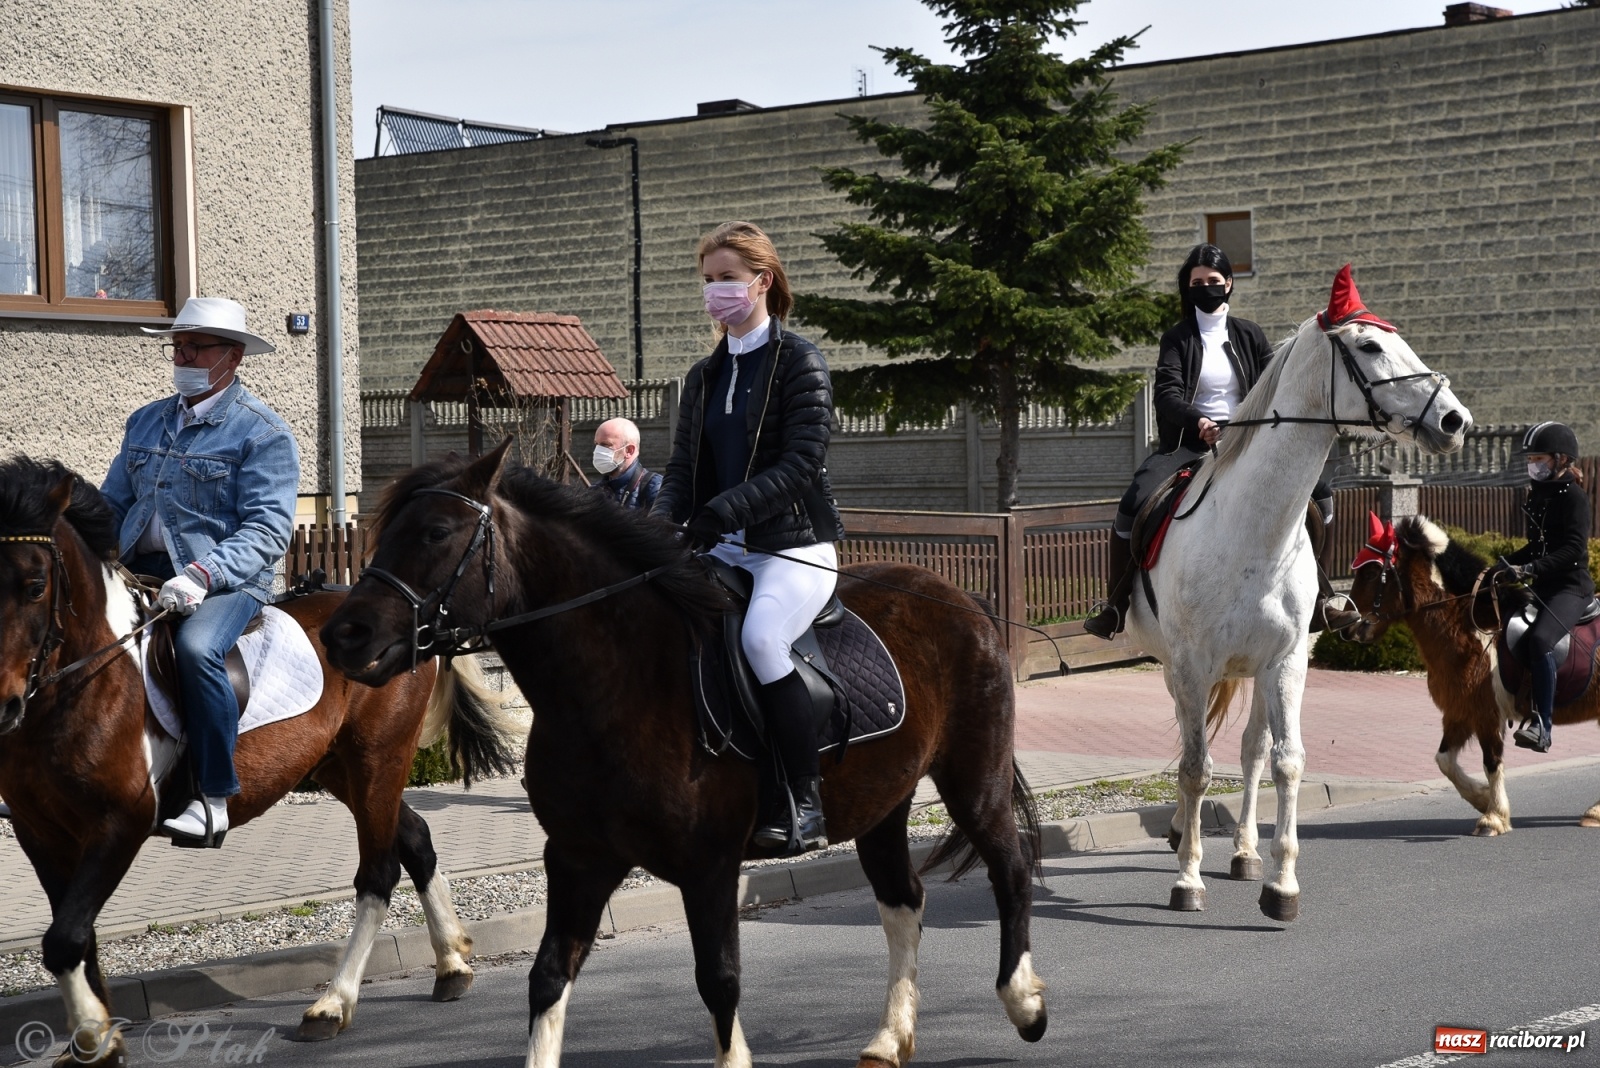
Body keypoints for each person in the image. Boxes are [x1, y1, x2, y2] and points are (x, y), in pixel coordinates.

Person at [651, 221, 844, 856]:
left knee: (763, 638)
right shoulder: (703, 376)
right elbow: (681, 471)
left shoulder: (800, 361)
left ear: (762, 282)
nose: (715, 293)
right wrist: (657, 529)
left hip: (794, 546)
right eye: (708, 281)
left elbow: (800, 465)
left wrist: (724, 511)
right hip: (723, 544)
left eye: (727, 280)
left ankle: (803, 799)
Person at [100, 297, 300, 847]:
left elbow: (267, 530)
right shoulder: (145, 421)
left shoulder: (263, 434)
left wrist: (202, 574)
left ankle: (213, 798)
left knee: (195, 650)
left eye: (195, 346)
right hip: (136, 569)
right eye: (178, 344)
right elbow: (113, 503)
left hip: (227, 582)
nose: (181, 354)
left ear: (231, 357)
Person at [1083, 243, 1356, 639]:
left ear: (1228, 283)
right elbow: (1168, 394)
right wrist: (1199, 421)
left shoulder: (1250, 334)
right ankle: (1116, 604)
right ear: (1187, 287)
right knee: (1134, 500)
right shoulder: (1177, 339)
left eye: (1213, 281)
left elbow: (1275, 388)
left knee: (1323, 493)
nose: (1206, 287)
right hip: (1188, 445)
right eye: (1197, 282)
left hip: (1248, 443)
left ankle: (1321, 600)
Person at [1496, 422, 1592, 753]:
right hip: (1542, 586)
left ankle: (1543, 726)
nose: (1532, 464)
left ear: (1561, 459)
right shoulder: (1537, 494)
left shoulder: (1575, 498)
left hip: (1571, 588)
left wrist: (1531, 568)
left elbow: (1571, 550)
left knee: (1540, 640)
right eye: (1531, 459)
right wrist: (1504, 564)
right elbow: (1535, 547)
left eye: (1539, 458)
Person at [590, 417, 663, 510]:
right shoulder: (594, 492)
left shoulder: (655, 488)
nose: (598, 450)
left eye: (605, 445)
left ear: (629, 451)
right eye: (597, 444)